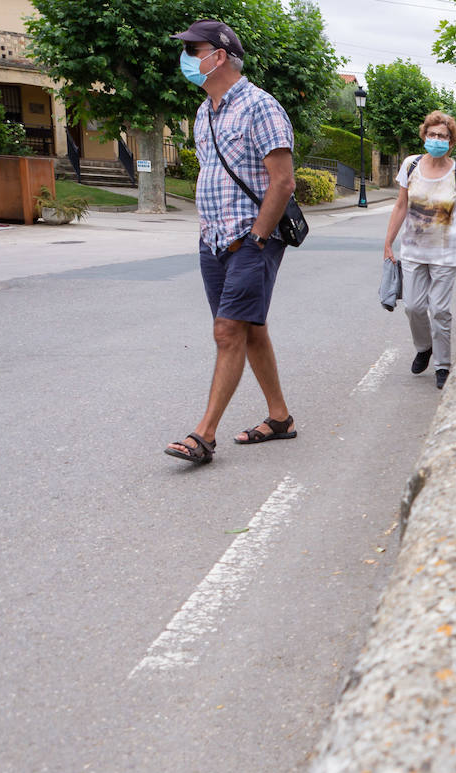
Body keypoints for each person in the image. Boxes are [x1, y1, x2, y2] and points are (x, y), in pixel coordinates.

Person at [163, 19, 298, 465]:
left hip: (252, 240)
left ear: (218, 55)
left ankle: (204, 434)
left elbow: (283, 182)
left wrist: (258, 239)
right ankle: (280, 418)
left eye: (193, 49)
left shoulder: (261, 106)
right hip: (214, 241)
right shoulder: (204, 112)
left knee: (227, 331)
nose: (186, 58)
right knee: (248, 329)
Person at [383, 111, 456, 390]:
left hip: (446, 255)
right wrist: (388, 242)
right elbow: (400, 206)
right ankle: (424, 347)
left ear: (451, 142)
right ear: (424, 135)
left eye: (443, 136)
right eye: (432, 134)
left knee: (439, 310)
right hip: (412, 250)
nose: (437, 139)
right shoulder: (411, 165)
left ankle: (442, 365)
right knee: (413, 306)